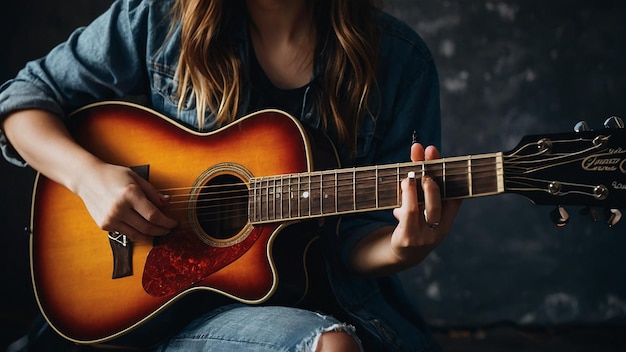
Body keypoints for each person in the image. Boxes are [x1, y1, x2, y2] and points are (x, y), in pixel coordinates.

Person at [0, 0, 461, 350]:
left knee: (332, 345)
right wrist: (90, 178)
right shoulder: (161, 21)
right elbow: (21, 100)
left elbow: (357, 240)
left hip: (297, 312)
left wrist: (401, 248)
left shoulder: (399, 60)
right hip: (137, 314)